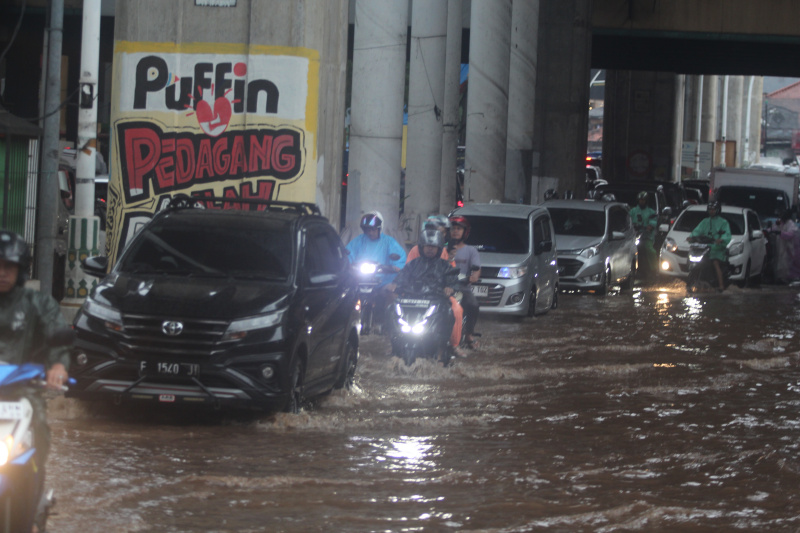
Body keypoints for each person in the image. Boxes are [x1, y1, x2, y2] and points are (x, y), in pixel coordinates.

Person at [392, 229, 466, 358]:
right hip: (412, 301)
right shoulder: (412, 264)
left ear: (439, 249)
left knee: (450, 313)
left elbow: (453, 281)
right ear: (422, 247)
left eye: (433, 247)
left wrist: (449, 288)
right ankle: (394, 345)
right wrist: (394, 285)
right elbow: (401, 279)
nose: (430, 249)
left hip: (436, 302)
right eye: (427, 246)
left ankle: (443, 351)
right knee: (390, 309)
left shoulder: (445, 266)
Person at [346, 212, 407, 333]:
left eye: (373, 230)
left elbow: (399, 257)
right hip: (360, 280)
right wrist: (347, 264)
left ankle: (387, 323)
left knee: (391, 293)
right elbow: (348, 254)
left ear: (379, 229)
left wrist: (394, 267)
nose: (371, 233)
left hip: (382, 281)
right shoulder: (358, 241)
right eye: (368, 230)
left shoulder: (389, 242)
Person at [448, 215, 481, 349]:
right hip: (444, 285)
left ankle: (469, 334)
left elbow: (477, 268)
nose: (455, 231)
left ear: (465, 232)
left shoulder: (471, 250)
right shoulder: (442, 249)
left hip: (462, 287)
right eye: (453, 229)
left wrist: (474, 276)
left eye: (458, 229)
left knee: (473, 304)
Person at [689, 201, 731, 292]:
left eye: (713, 209)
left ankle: (721, 286)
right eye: (710, 209)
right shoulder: (705, 221)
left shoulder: (723, 222)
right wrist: (691, 237)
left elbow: (726, 234)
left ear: (717, 210)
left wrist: (721, 239)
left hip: (717, 248)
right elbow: (697, 230)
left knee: (715, 262)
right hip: (705, 248)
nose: (711, 211)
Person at [629, 191, 658, 279]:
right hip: (634, 236)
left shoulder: (651, 211)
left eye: (643, 200)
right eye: (640, 200)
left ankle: (654, 269)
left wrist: (649, 226)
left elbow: (653, 222)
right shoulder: (633, 211)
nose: (642, 202)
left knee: (651, 251)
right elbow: (628, 220)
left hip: (646, 237)